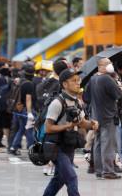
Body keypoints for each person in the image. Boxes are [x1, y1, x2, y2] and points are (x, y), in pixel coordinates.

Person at [42, 68, 99, 196]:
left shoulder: (77, 102)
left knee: (59, 179)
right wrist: (68, 125)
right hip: (56, 146)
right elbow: (48, 128)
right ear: (64, 84)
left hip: (69, 145)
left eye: (78, 80)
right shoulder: (57, 103)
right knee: (71, 177)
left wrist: (92, 124)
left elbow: (82, 122)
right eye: (74, 81)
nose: (78, 83)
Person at [85, 58, 122, 180]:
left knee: (98, 143)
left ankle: (99, 170)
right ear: (100, 66)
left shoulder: (93, 78)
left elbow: (86, 97)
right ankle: (108, 171)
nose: (110, 65)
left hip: (96, 116)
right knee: (108, 144)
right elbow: (118, 94)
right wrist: (121, 86)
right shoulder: (107, 79)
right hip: (108, 116)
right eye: (107, 64)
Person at [10, 64, 37, 155]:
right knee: (29, 129)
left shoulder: (20, 82)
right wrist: (29, 113)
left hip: (19, 109)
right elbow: (28, 99)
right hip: (26, 110)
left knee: (21, 129)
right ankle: (31, 148)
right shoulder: (29, 84)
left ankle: (14, 146)